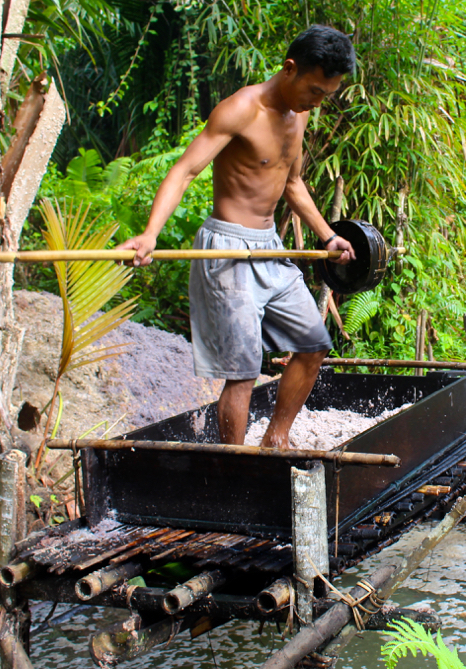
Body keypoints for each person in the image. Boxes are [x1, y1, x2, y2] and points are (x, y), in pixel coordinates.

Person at [119, 25, 357, 450]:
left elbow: (293, 183)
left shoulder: (300, 114)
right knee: (243, 371)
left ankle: (275, 440)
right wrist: (150, 233)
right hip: (228, 249)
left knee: (313, 345)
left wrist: (327, 237)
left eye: (326, 95)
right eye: (315, 91)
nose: (318, 101)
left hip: (270, 249)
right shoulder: (241, 110)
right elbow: (184, 171)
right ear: (290, 68)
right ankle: (238, 464)